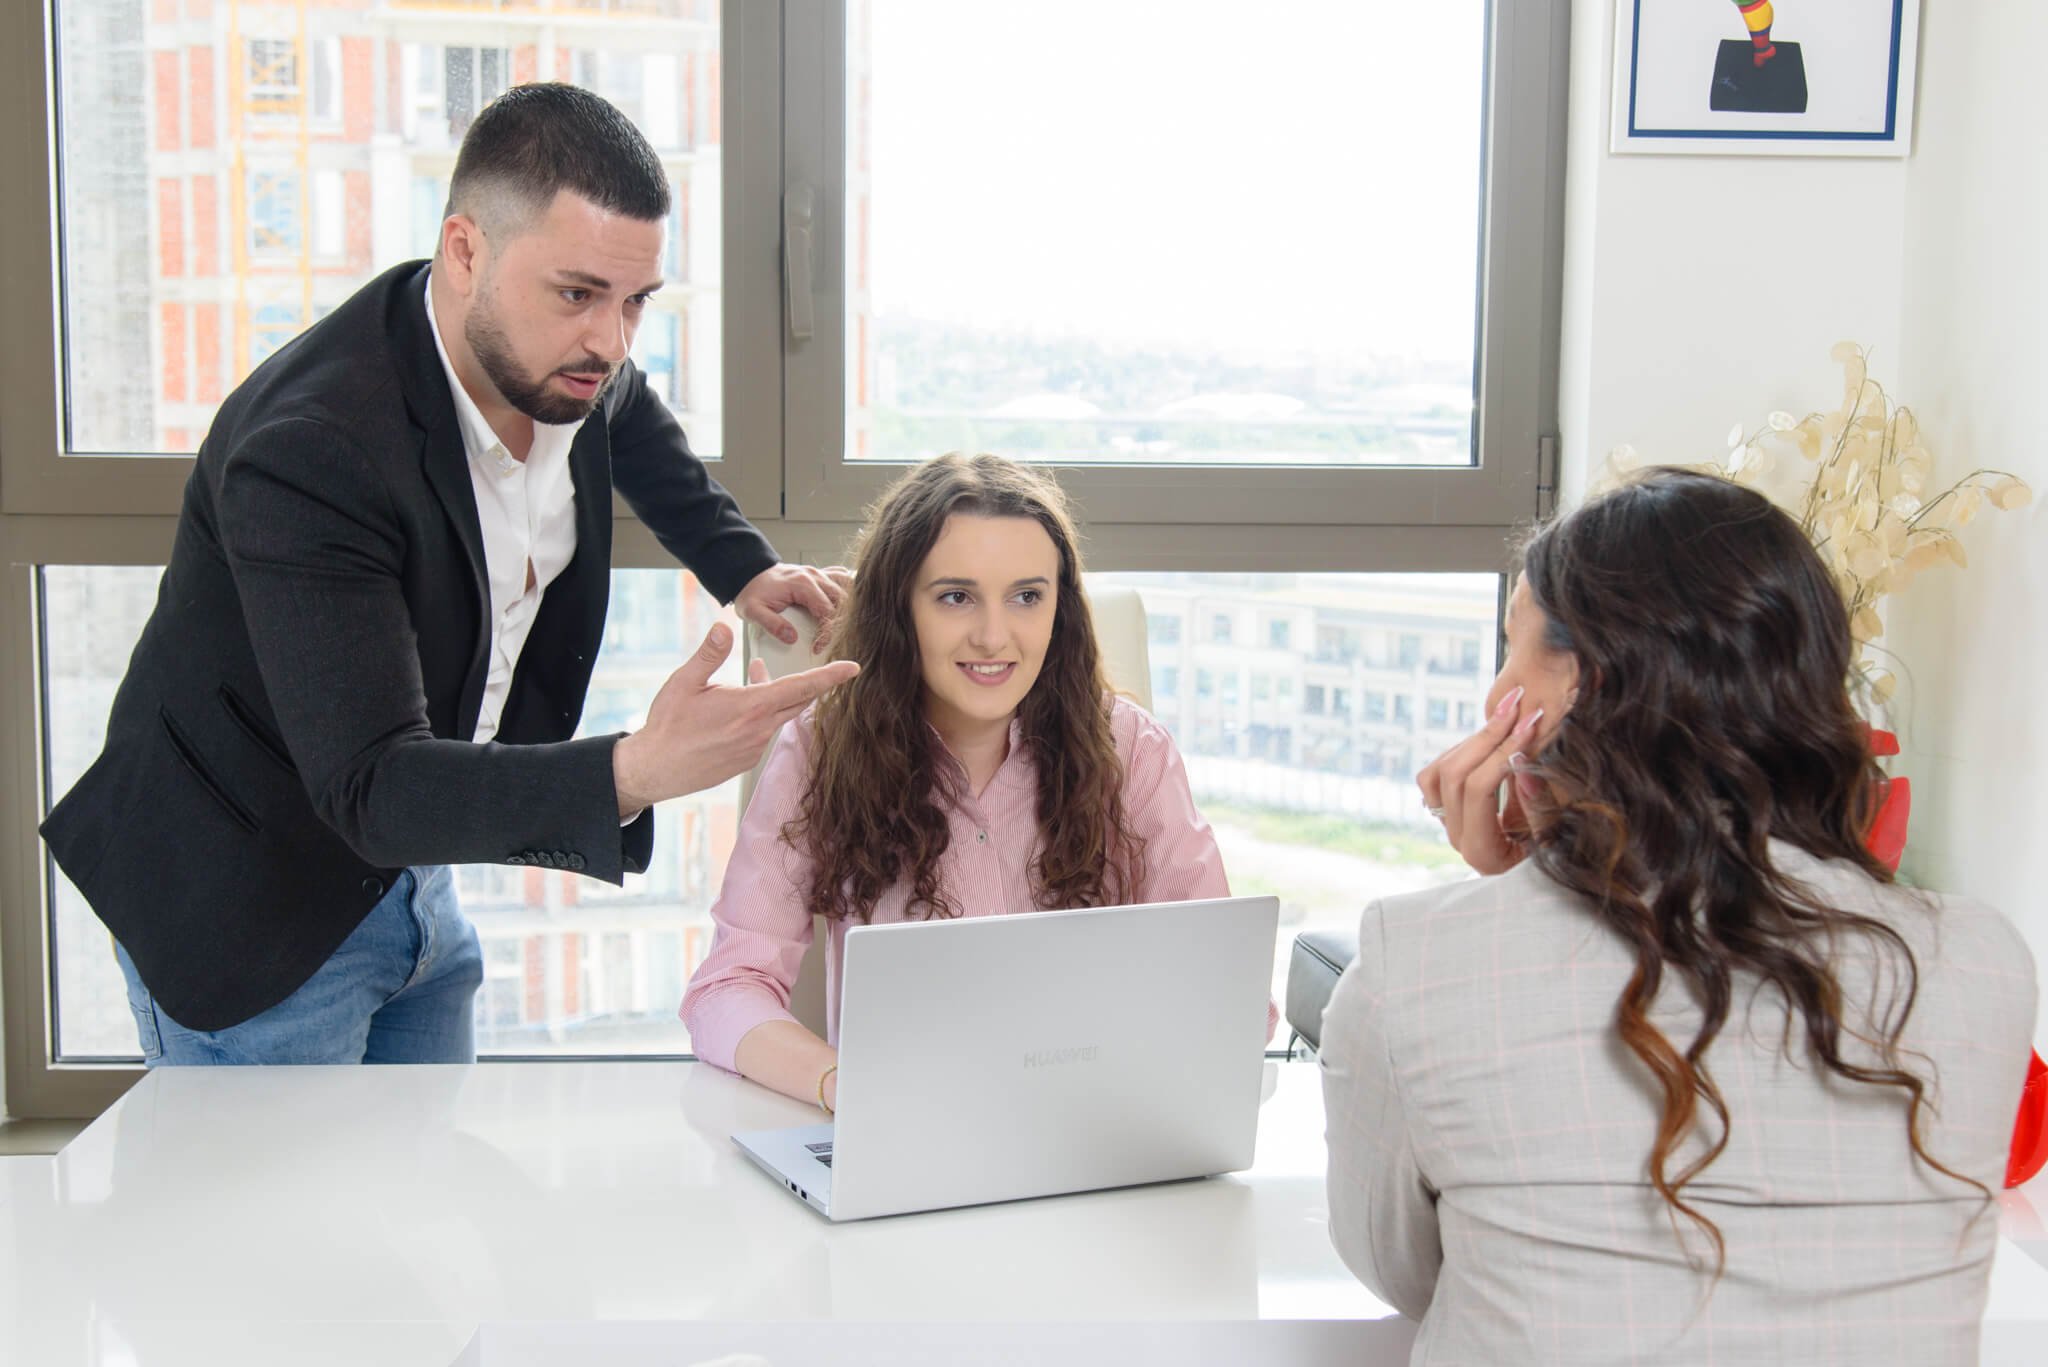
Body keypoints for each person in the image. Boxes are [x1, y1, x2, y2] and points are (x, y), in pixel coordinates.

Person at [40, 84, 857, 1066]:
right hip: (248, 897)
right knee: (278, 1222)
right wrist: (635, 769)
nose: (612, 339)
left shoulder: (560, 355)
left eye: (635, 300)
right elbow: (373, 785)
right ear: (465, 250)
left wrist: (745, 568)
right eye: (579, 293)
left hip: (412, 871)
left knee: (412, 1201)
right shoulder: (312, 451)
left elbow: (635, 425)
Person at [1319, 469, 2036, 1365]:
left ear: (1580, 687)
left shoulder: (1410, 967)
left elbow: (1417, 1273)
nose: (1497, 685)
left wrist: (1517, 884)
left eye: (1516, 648)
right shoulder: (1981, 960)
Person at [681, 452, 1274, 1109]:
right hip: (908, 1137)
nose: (994, 636)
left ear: (1060, 610)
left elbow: (1225, 983)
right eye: (956, 597)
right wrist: (844, 1086)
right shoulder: (820, 748)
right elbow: (726, 990)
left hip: (1100, 1133)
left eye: (1026, 596)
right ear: (900, 607)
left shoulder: (1131, 749)